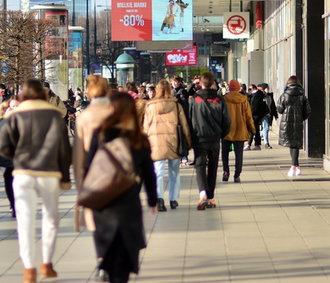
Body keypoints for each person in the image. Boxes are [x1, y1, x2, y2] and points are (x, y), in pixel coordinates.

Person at [0, 79, 71, 283]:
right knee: (50, 218)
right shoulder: (54, 116)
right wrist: (65, 177)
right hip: (48, 173)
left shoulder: (15, 115)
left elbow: (2, 145)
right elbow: (64, 149)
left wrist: (17, 156)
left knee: (25, 221)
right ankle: (47, 263)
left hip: (23, 174)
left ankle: (29, 269)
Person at [85, 92, 157, 283]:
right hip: (128, 200)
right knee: (125, 252)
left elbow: (88, 166)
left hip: (102, 201)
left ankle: (106, 266)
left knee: (107, 244)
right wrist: (152, 200)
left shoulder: (98, 135)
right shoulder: (138, 139)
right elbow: (149, 173)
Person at [73, 75, 111, 281]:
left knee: (97, 217)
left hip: (92, 172)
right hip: (117, 172)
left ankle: (102, 259)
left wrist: (79, 182)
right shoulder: (119, 112)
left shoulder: (85, 116)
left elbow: (79, 152)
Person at [143, 79, 192, 212]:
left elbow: (145, 127)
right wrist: (189, 142)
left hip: (156, 143)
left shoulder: (150, 106)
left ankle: (159, 199)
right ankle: (173, 199)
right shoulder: (176, 105)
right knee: (174, 171)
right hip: (174, 141)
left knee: (158, 172)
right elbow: (185, 125)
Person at [189, 73, 230, 210]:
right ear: (213, 83)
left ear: (200, 83)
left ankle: (202, 194)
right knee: (213, 166)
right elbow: (227, 120)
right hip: (214, 137)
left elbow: (189, 119)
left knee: (200, 165)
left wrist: (190, 135)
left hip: (199, 137)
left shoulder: (195, 99)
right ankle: (210, 196)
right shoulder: (219, 99)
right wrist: (222, 134)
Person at [222, 80, 256, 183]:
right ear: (238, 88)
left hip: (226, 130)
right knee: (239, 154)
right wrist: (252, 129)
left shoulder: (224, 99)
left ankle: (226, 172)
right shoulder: (244, 99)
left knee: (224, 153)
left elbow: (220, 115)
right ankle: (237, 175)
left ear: (229, 88)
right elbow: (248, 116)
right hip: (240, 130)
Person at [277, 76, 311, 177]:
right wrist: (301, 118)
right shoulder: (302, 95)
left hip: (286, 123)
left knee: (291, 144)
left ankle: (294, 166)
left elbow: (280, 109)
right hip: (298, 122)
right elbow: (308, 111)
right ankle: (296, 166)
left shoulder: (284, 95)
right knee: (295, 143)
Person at [0, 97, 20, 218]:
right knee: (9, 183)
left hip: (21, 159)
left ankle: (18, 205)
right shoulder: (2, 121)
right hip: (6, 159)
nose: (15, 108)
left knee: (19, 183)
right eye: (13, 106)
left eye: (17, 106)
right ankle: (13, 204)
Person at [244, 84, 268, 151]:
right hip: (256, 115)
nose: (249, 90)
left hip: (254, 115)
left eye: (250, 89)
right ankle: (257, 145)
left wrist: (250, 114)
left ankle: (249, 144)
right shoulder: (256, 95)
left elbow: (254, 106)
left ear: (254, 88)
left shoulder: (256, 95)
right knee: (256, 129)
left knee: (252, 129)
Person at [260, 83, 278, 149]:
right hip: (263, 115)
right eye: (267, 88)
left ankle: (258, 135)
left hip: (269, 114)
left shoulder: (270, 96)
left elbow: (273, 105)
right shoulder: (260, 96)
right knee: (266, 128)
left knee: (266, 128)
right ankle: (266, 143)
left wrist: (275, 115)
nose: (268, 89)